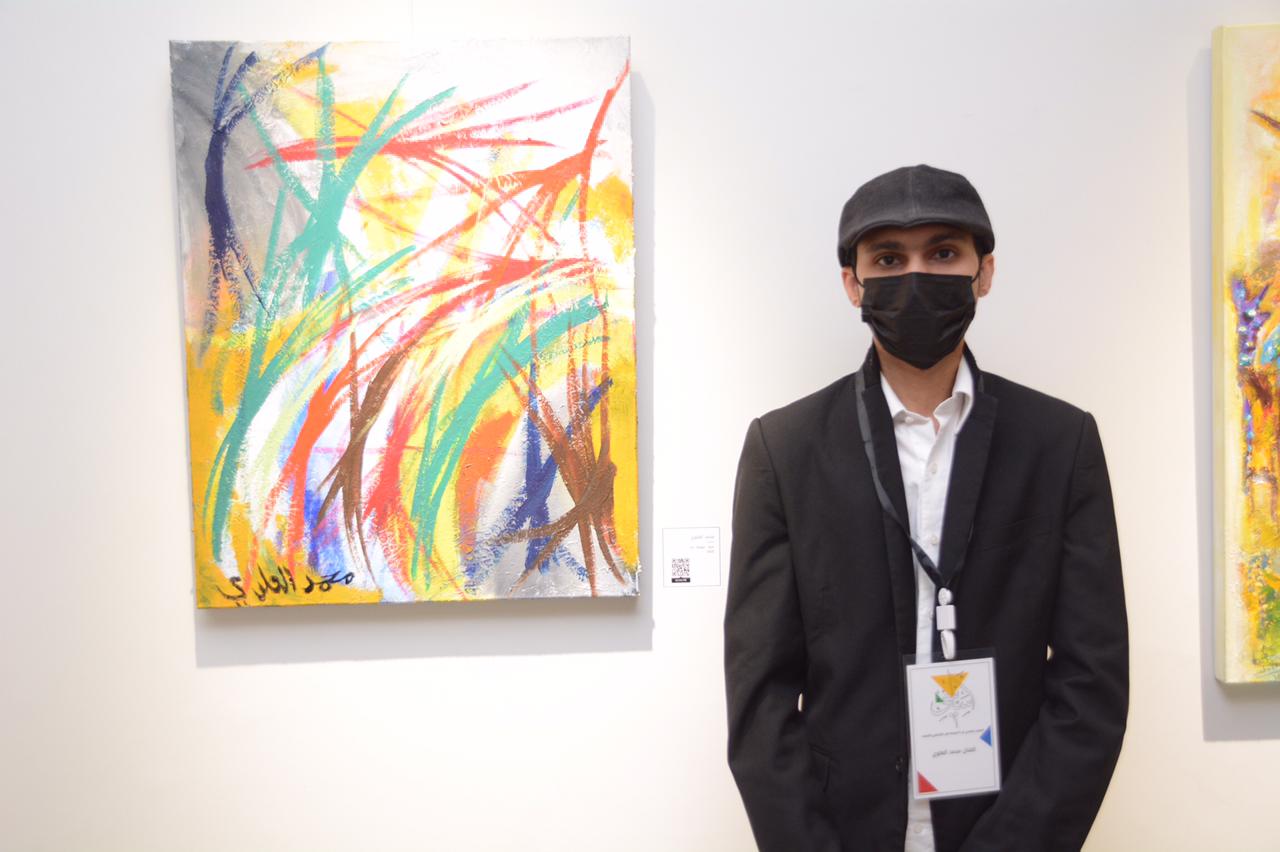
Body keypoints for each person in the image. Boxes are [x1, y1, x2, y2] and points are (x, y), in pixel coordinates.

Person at [724, 164, 1128, 852]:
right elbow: (759, 698)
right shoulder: (784, 449)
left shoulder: (1060, 443)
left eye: (942, 253)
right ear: (852, 283)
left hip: (1006, 825)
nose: (915, 276)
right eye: (888, 259)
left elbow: (1093, 684)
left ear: (984, 272)